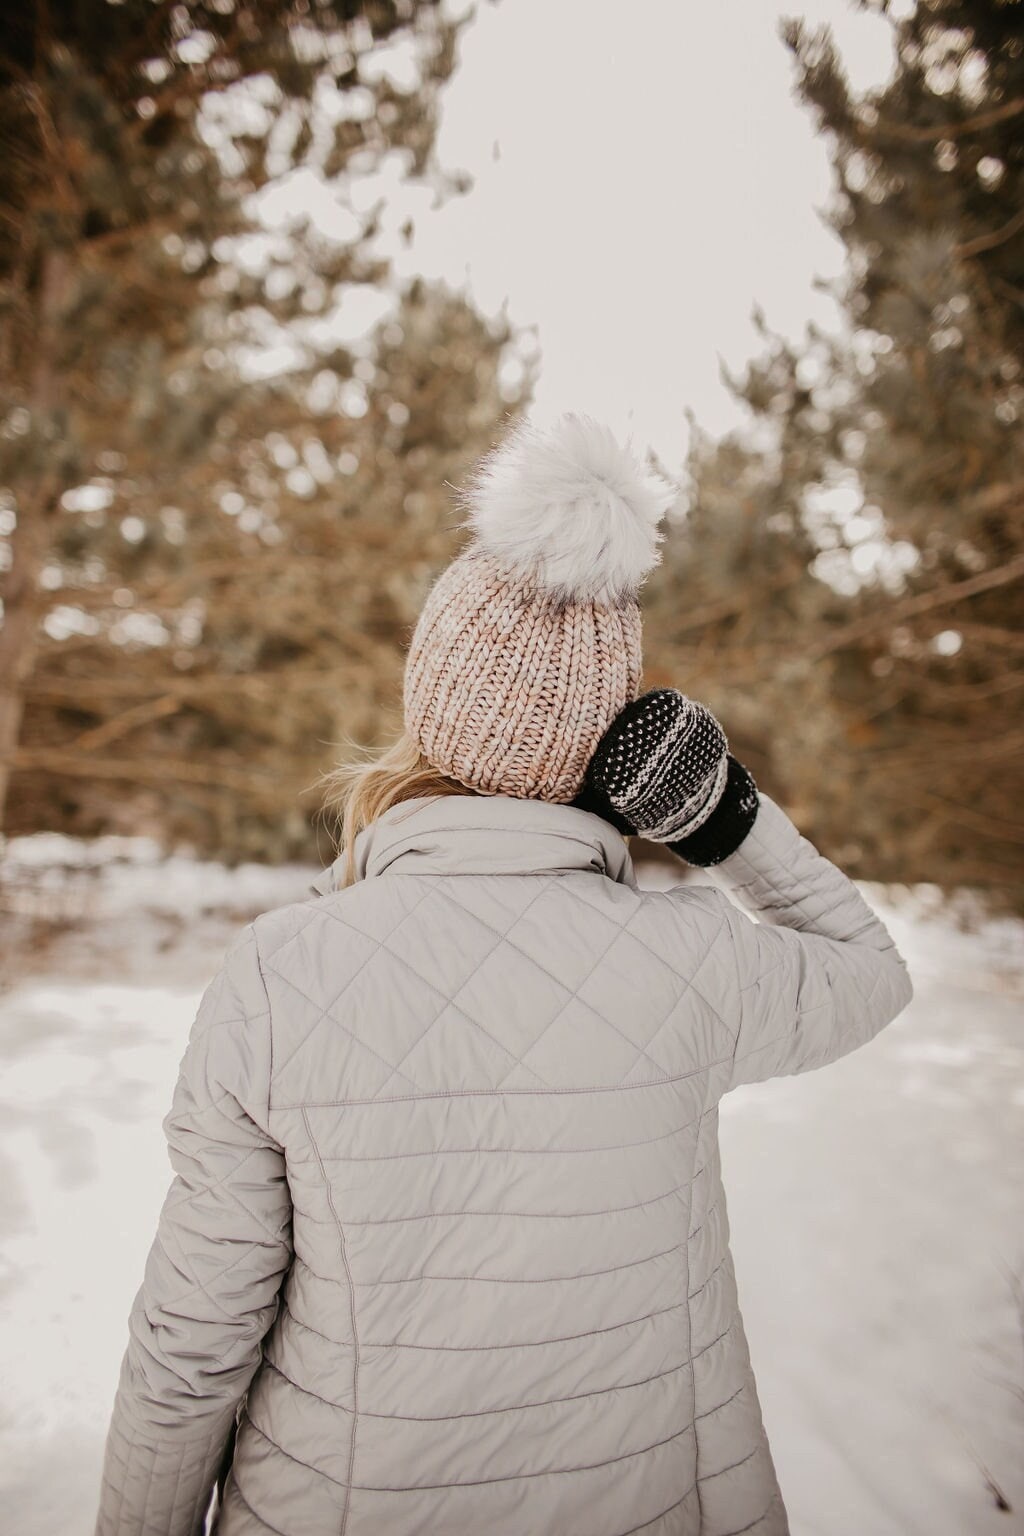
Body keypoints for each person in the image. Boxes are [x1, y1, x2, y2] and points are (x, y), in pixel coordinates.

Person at [94, 412, 913, 1536]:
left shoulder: (281, 974)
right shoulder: (692, 958)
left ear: (425, 709)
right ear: (603, 751)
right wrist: (723, 817)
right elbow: (868, 971)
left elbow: (191, 1348)